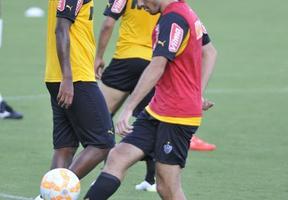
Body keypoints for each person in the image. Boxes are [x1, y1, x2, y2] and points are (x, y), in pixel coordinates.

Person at [83, 0, 217, 199]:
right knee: (118, 156)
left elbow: (157, 66)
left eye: (142, 0)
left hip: (177, 115)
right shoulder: (183, 11)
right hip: (158, 109)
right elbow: (210, 52)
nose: (140, 5)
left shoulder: (173, 19)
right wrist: (197, 94)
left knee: (167, 188)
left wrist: (128, 108)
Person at [35, 0, 115, 199]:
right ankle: (55, 193)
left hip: (57, 77)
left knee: (65, 146)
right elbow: (61, 29)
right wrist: (68, 78)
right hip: (75, 78)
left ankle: (46, 196)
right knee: (103, 142)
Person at [95, 0, 159, 191]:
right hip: (152, 64)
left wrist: (98, 56)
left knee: (100, 119)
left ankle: (107, 173)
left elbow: (108, 24)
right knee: (149, 122)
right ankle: (151, 180)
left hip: (124, 61)